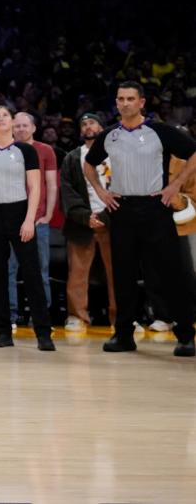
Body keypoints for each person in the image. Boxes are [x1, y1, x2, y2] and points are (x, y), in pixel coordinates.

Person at [84, 81, 196, 357]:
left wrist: (176, 185)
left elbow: (193, 153)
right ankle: (123, 335)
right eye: (121, 99)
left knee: (171, 272)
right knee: (123, 275)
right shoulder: (109, 135)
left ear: (142, 102)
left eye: (131, 98)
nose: (125, 103)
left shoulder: (160, 131)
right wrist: (100, 191)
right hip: (121, 209)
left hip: (156, 207)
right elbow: (90, 163)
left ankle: (185, 335)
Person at [0, 106, 54, 351]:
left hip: (19, 213)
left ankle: (43, 333)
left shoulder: (26, 150)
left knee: (32, 274)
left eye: (6, 115)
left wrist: (29, 220)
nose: (2, 118)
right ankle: (3, 331)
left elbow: (35, 188)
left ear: (13, 123)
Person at [60, 112, 116, 331]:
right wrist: (86, 216)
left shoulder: (116, 154)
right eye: (83, 124)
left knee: (118, 273)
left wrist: (104, 216)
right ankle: (77, 316)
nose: (87, 126)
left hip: (112, 221)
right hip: (82, 223)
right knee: (77, 273)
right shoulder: (73, 157)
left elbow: (123, 187)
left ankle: (121, 318)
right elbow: (67, 190)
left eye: (92, 122)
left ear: (101, 127)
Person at [6, 112, 59, 327]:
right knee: (9, 270)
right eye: (16, 125)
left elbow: (52, 185)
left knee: (40, 270)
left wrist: (48, 215)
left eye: (24, 125)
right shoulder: (5, 150)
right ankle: (10, 315)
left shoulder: (45, 150)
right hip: (11, 220)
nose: (20, 129)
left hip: (38, 221)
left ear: (33, 128)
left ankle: (42, 316)